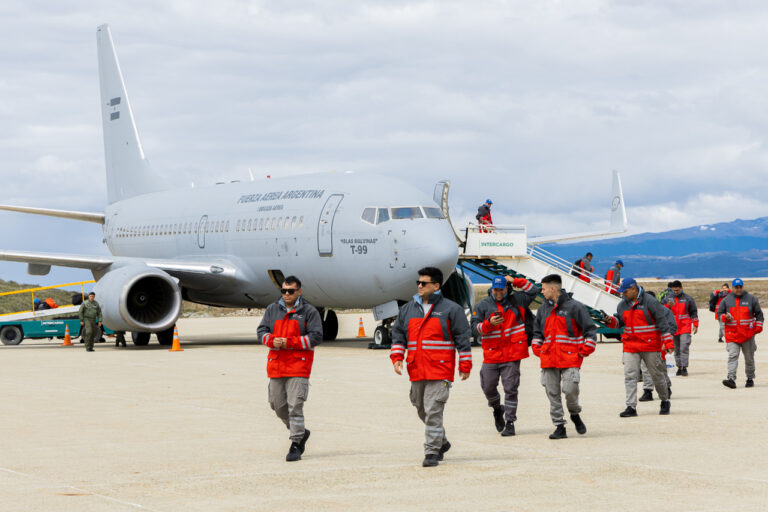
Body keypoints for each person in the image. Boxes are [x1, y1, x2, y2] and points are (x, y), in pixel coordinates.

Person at [390, 266, 472, 467]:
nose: (419, 285)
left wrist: (465, 363)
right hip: (416, 369)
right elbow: (398, 334)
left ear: (436, 286)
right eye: (418, 282)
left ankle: (432, 451)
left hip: (440, 370)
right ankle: (442, 441)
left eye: (424, 283)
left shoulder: (452, 309)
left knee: (433, 410)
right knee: (421, 408)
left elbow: (463, 339)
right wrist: (397, 356)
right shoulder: (408, 309)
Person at [257, 276, 323, 462]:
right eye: (284, 291)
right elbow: (261, 331)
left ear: (299, 291)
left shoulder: (308, 311)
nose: (287, 294)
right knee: (277, 406)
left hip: (298, 366)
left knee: (295, 406)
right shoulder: (272, 309)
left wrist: (289, 343)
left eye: (291, 291)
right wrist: (271, 340)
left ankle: (295, 444)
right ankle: (301, 432)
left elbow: (316, 337)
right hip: (277, 366)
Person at [471, 275, 540, 437]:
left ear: (507, 288)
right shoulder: (483, 305)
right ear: (491, 289)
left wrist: (515, 280)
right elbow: (474, 328)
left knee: (511, 388)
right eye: (495, 289)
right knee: (488, 387)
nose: (498, 292)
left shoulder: (518, 300)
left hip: (513, 353)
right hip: (491, 354)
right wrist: (489, 324)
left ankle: (510, 422)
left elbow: (534, 290)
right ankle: (497, 408)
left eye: (501, 289)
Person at [531, 274, 596, 439]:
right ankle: (559, 426)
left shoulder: (575, 307)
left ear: (553, 289)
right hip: (548, 359)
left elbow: (590, 330)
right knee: (552, 394)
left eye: (544, 289)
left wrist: (584, 350)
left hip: (570, 358)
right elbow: (537, 332)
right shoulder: (543, 309)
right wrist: (537, 348)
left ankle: (574, 413)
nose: (542, 292)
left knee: (570, 390)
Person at [603, 278, 675, 417]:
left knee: (657, 374)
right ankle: (631, 407)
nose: (622, 294)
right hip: (630, 345)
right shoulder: (622, 305)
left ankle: (664, 400)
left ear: (634, 289)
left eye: (625, 292)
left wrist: (668, 343)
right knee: (630, 376)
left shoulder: (651, 302)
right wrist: (610, 321)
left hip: (650, 345)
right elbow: (619, 323)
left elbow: (662, 323)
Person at [717, 279, 763, 389]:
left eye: (740, 287)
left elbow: (759, 314)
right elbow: (719, 313)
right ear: (732, 288)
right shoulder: (726, 300)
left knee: (749, 358)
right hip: (732, 335)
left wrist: (758, 327)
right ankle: (731, 378)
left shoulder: (751, 299)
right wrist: (724, 317)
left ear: (742, 287)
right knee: (733, 356)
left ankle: (750, 378)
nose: (738, 289)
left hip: (747, 335)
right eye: (736, 287)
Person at [639, 291, 674, 402]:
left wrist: (667, 342)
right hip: (646, 344)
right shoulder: (640, 311)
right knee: (645, 368)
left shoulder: (665, 311)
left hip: (661, 344)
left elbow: (672, 327)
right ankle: (648, 391)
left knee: (661, 367)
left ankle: (666, 387)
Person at [663, 280, 698, 376]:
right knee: (676, 348)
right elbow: (661, 311)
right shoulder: (667, 299)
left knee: (684, 347)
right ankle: (679, 367)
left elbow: (693, 312)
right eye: (674, 290)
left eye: (677, 290)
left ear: (681, 288)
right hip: (673, 327)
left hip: (685, 326)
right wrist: (667, 306)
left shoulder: (688, 299)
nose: (676, 292)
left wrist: (695, 324)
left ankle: (684, 367)